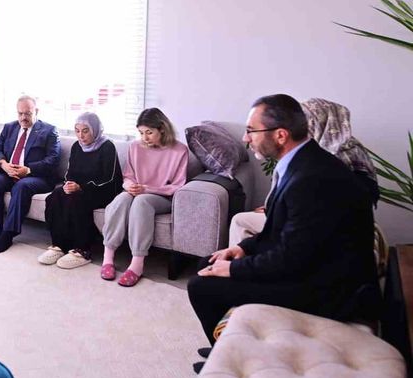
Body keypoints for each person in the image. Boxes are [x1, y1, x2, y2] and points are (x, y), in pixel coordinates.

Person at [188, 94, 378, 356]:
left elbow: (291, 259)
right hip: (311, 268)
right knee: (207, 263)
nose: (245, 138)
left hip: (326, 290)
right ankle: (229, 346)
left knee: (201, 286)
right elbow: (279, 231)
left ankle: (233, 355)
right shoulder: (303, 161)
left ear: (280, 135)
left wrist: (234, 269)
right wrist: (242, 249)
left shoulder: (312, 178)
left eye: (251, 131)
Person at [227, 97, 381, 246]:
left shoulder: (329, 162)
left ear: (321, 124)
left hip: (325, 225)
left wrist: (277, 210)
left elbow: (318, 203)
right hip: (314, 220)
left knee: (240, 222)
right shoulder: (345, 151)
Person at [99, 108, 188, 286]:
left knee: (141, 201)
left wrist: (147, 189)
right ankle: (107, 258)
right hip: (136, 192)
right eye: (141, 133)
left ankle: (137, 264)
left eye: (149, 132)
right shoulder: (135, 147)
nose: (145, 138)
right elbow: (128, 176)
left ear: (162, 129)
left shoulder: (180, 150)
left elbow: (178, 186)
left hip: (161, 196)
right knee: (121, 199)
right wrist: (129, 186)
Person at [39, 112, 121, 269]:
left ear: (95, 129)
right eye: (77, 131)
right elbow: (70, 173)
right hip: (80, 188)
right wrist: (68, 184)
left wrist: (81, 187)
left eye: (85, 131)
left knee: (76, 199)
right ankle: (59, 245)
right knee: (55, 195)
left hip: (104, 190)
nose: (81, 136)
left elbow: (109, 179)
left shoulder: (107, 147)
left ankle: (83, 250)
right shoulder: (77, 146)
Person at [0, 95, 60, 254]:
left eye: (28, 113)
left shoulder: (49, 130)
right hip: (10, 172)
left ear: (36, 111)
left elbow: (53, 159)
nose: (23, 117)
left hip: (37, 177)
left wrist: (28, 170)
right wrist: (4, 164)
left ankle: (8, 234)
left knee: (21, 186)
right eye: (20, 113)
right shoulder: (9, 127)